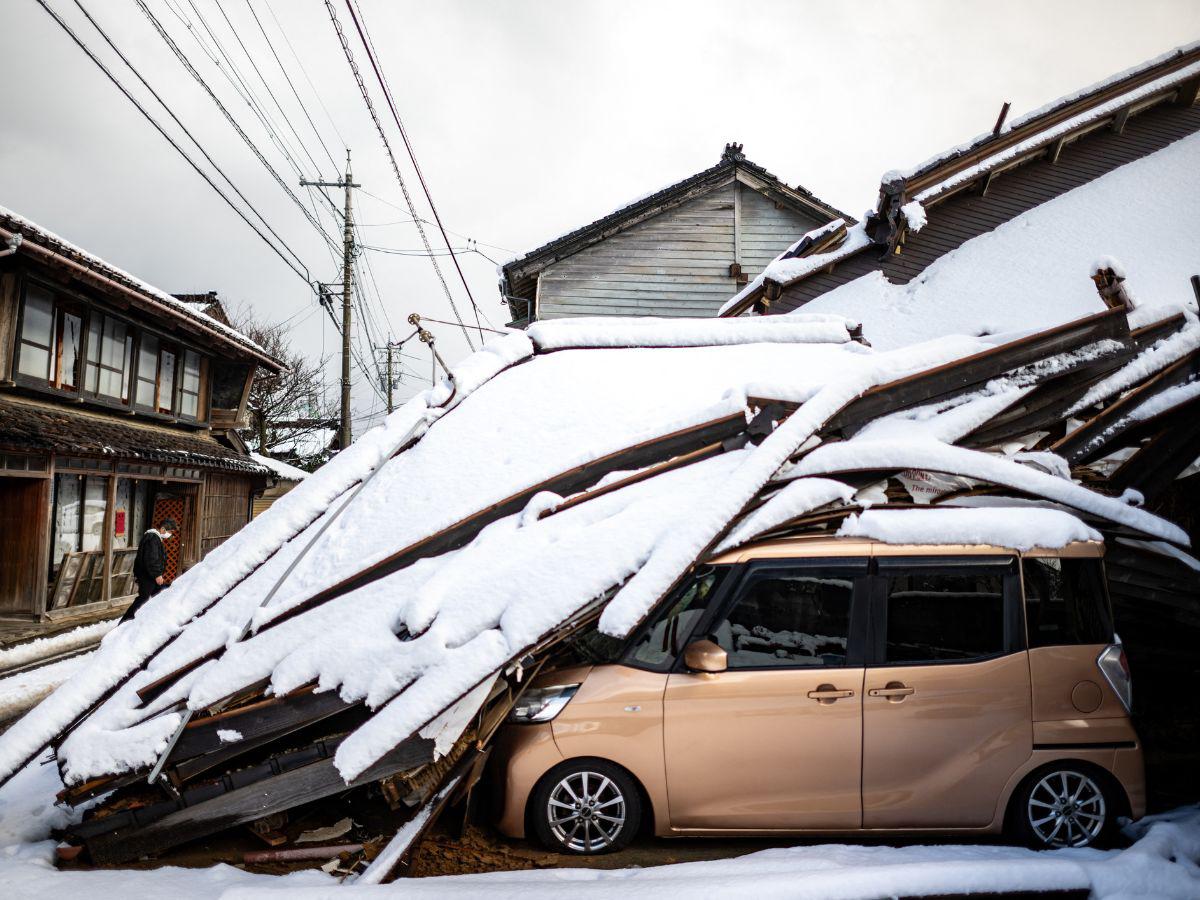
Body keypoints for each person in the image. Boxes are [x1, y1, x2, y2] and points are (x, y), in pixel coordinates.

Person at [120, 518, 177, 623]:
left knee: (159, 593)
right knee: (144, 598)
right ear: (163, 529)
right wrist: (157, 574)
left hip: (148, 574)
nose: (170, 534)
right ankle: (125, 621)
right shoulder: (152, 538)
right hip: (147, 575)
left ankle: (150, 621)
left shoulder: (155, 538)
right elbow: (151, 558)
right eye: (170, 532)